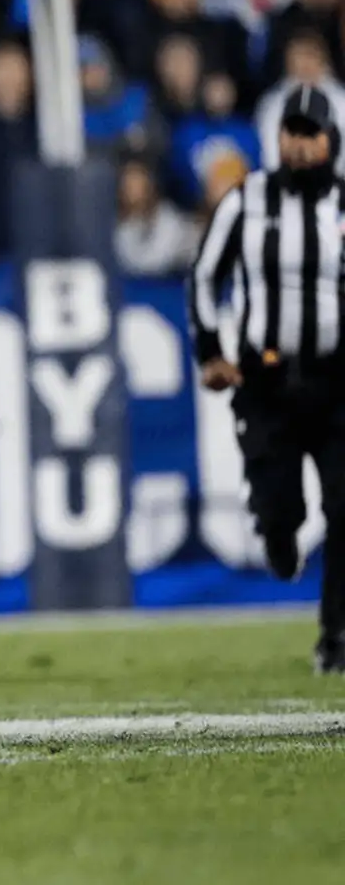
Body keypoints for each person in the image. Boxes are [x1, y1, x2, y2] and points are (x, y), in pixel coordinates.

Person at [191, 86, 345, 674]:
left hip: (336, 383)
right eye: (292, 133)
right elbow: (206, 277)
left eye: (311, 133)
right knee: (280, 512)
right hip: (268, 382)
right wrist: (211, 351)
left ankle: (336, 636)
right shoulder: (246, 200)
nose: (300, 146)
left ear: (330, 139)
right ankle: (281, 536)